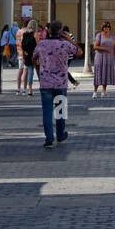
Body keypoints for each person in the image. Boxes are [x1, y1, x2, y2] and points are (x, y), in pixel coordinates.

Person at [33, 20, 79, 149]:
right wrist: (69, 40)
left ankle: (49, 138)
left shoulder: (41, 44)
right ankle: (60, 134)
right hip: (61, 83)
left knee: (47, 111)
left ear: (48, 31)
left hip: (46, 83)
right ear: (61, 32)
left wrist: (40, 68)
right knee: (60, 111)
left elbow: (33, 58)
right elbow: (79, 52)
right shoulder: (65, 44)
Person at [92, 21, 115, 97]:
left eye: (108, 27)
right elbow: (95, 47)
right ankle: (95, 92)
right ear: (102, 28)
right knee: (98, 74)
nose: (107, 29)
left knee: (106, 73)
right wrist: (105, 49)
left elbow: (114, 46)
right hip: (100, 57)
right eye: (105, 27)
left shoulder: (112, 36)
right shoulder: (99, 35)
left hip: (109, 58)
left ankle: (104, 91)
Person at [18, 20, 38, 95]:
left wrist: (24, 55)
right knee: (31, 72)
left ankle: (25, 89)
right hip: (33, 55)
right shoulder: (35, 34)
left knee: (26, 71)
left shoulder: (25, 34)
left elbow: (22, 45)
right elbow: (37, 46)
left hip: (26, 55)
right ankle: (30, 89)